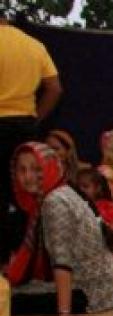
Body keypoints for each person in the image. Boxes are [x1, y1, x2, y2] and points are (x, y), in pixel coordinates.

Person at [7, 142, 113, 316]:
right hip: (97, 289)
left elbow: (62, 260)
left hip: (86, 294)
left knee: (6, 300)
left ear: (49, 168)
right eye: (22, 170)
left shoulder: (54, 202)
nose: (28, 176)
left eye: (36, 169)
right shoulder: (58, 191)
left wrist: (64, 312)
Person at [0, 18, 62, 261]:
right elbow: (55, 88)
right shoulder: (33, 45)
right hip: (24, 127)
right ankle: (25, 260)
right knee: (26, 195)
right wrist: (35, 119)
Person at [76, 167, 113, 232]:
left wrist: (108, 228)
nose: (81, 190)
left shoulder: (108, 206)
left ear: (98, 188)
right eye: (78, 187)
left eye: (85, 186)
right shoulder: (77, 205)